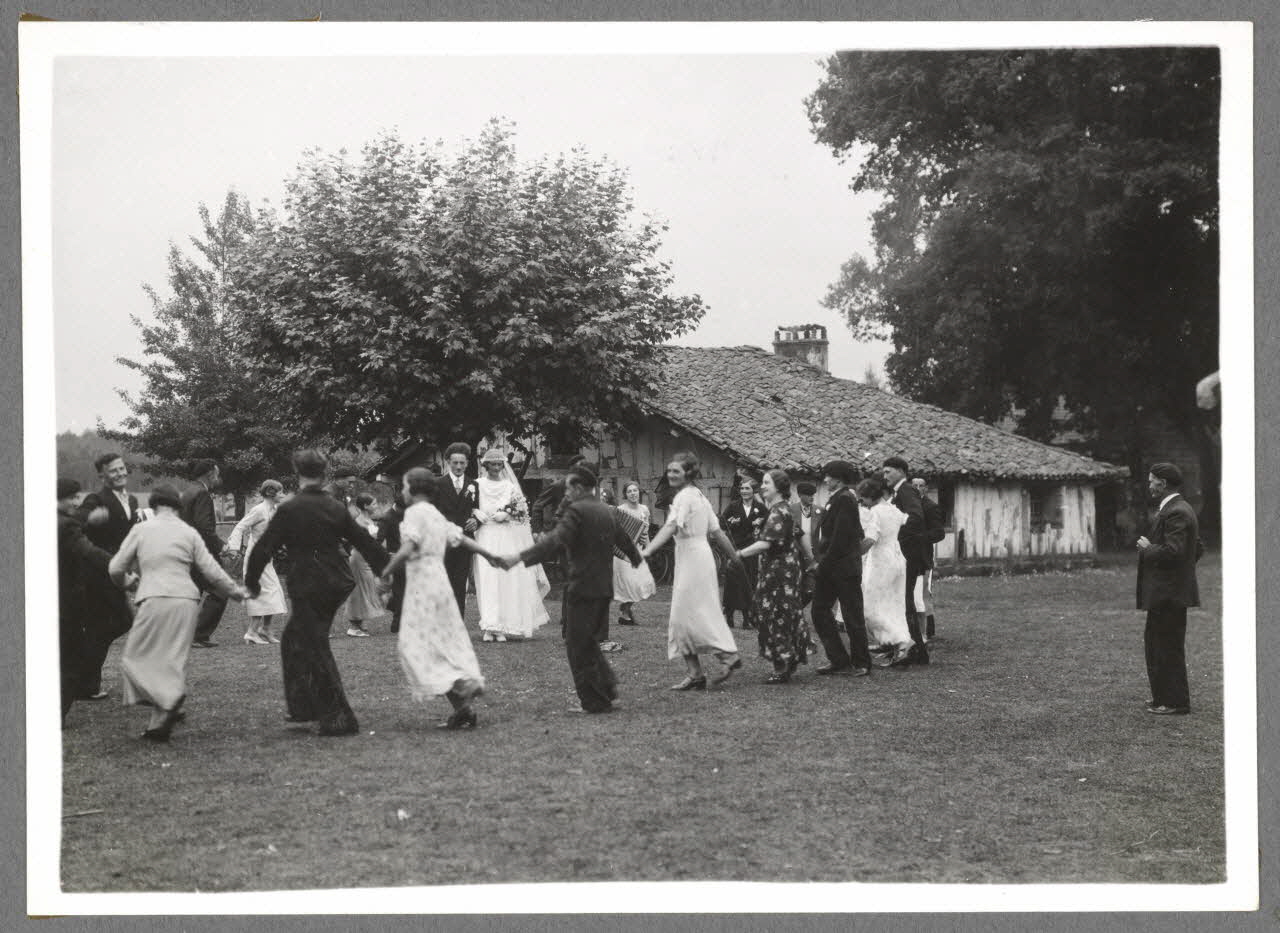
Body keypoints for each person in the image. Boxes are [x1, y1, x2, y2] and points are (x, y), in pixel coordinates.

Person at [244, 449, 390, 737]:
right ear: (324, 475)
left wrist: (251, 582)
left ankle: (338, 717)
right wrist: (388, 570)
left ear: (298, 474)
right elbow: (366, 543)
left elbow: (264, 547)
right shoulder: (334, 507)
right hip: (334, 582)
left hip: (308, 585)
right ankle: (303, 707)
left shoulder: (290, 508)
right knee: (293, 639)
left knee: (313, 645)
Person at [108, 483, 248, 741]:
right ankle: (158, 724)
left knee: (135, 658)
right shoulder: (189, 532)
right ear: (178, 506)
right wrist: (235, 591)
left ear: (153, 504)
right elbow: (212, 571)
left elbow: (116, 568)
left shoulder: (141, 529)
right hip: (186, 599)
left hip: (154, 598)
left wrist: (127, 583)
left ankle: (168, 699)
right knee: (172, 658)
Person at [502, 466, 642, 714]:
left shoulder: (577, 511)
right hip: (603, 587)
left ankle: (593, 701)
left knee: (577, 646)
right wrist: (636, 559)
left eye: (568, 488)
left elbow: (555, 542)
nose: (565, 493)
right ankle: (606, 687)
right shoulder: (606, 510)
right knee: (588, 641)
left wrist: (518, 558)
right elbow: (625, 540)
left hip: (583, 587)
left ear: (578, 488)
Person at [381, 467, 500, 730]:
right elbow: (462, 539)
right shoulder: (435, 514)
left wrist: (386, 572)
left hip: (422, 583)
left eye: (403, 486)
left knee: (416, 644)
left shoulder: (413, 513)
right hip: (440, 582)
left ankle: (461, 684)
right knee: (442, 639)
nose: (402, 492)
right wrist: (490, 554)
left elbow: (409, 546)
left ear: (412, 489)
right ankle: (462, 705)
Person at [640, 453, 745, 691]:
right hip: (697, 557)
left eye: (676, 471)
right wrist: (734, 556)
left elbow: (672, 526)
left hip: (693, 559)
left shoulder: (685, 497)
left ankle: (726, 656)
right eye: (669, 470)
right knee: (689, 614)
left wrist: (648, 550)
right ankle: (697, 673)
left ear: (688, 473)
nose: (670, 474)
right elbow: (718, 533)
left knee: (685, 615)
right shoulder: (700, 496)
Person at [734, 469, 815, 684]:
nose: (762, 486)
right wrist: (810, 559)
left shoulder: (778, 512)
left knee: (776, 615)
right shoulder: (784, 508)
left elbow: (766, 543)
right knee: (787, 613)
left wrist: (739, 553)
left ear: (778, 487)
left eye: (767, 483)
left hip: (779, 573)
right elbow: (801, 535)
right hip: (787, 569)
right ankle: (789, 659)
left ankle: (782, 665)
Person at [1136, 462, 1204, 715]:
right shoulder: (1177, 509)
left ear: (1163, 484)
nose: (1149, 484)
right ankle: (1162, 698)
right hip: (1168, 593)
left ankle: (1175, 702)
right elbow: (1196, 548)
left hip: (1169, 595)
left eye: (1152, 480)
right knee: (1157, 644)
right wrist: (1182, 572)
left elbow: (1175, 552)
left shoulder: (1176, 511)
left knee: (1166, 646)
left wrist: (1148, 549)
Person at [74, 452, 141, 699]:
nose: (120, 473)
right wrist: (90, 518)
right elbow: (75, 521)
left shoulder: (132, 501)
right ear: (102, 475)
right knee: (115, 623)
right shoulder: (96, 499)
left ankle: (84, 682)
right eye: (113, 470)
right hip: (96, 574)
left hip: (116, 571)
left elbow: (129, 536)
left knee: (106, 626)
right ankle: (85, 684)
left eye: (122, 468)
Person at [471, 447, 550, 642]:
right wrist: (475, 511)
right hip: (485, 535)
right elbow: (467, 505)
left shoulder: (510, 487)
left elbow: (522, 513)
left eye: (499, 464)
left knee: (506, 577)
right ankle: (490, 626)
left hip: (506, 535)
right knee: (488, 577)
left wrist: (507, 513)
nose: (496, 468)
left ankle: (506, 624)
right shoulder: (477, 484)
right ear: (486, 465)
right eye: (492, 464)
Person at [58, 478, 113, 722]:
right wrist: (119, 568)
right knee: (72, 659)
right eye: (72, 497)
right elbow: (88, 552)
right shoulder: (67, 526)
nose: (76, 501)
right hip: (66, 602)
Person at [810, 460, 873, 676]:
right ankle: (838, 658)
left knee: (852, 616)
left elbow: (841, 538)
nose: (825, 479)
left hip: (843, 569)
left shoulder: (845, 499)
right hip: (832, 567)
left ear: (839, 478)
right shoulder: (837, 498)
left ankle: (862, 662)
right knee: (819, 611)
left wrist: (822, 563)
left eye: (828, 475)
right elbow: (855, 532)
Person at [854, 477, 914, 667]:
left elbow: (870, 539)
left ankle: (901, 641)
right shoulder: (894, 509)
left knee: (869, 606)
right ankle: (897, 645)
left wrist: (855, 552)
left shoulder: (875, 513)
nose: (862, 503)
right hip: (897, 556)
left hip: (881, 560)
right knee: (893, 604)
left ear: (870, 497)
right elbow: (904, 523)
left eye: (862, 499)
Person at [225, 479, 288, 645]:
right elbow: (240, 527)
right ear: (270, 493)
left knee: (274, 591)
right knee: (260, 592)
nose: (283, 495)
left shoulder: (274, 510)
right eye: (280, 492)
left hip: (267, 558)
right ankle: (252, 632)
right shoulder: (259, 510)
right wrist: (233, 548)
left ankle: (265, 629)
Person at [882, 456, 929, 665]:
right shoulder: (897, 492)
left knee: (906, 602)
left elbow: (916, 516)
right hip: (901, 555)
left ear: (901, 471)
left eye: (888, 471)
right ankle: (912, 649)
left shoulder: (906, 491)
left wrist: (897, 535)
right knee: (902, 602)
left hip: (907, 555)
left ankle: (916, 650)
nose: (885, 476)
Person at [182, 459, 232, 648]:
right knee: (221, 590)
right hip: (202, 552)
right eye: (217, 474)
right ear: (210, 473)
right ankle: (198, 635)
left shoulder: (188, 491)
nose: (218, 478)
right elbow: (204, 527)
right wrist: (221, 546)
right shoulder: (202, 493)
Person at [434, 443, 480, 615]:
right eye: (455, 463)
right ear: (448, 463)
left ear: (467, 463)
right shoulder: (438, 484)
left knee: (460, 582)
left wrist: (476, 521)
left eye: (462, 462)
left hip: (464, 540)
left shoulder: (473, 485)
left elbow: (478, 510)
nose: (459, 466)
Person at [720, 474, 769, 629]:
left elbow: (769, 526)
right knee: (732, 584)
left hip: (751, 551)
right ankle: (729, 617)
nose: (744, 491)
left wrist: (759, 523)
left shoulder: (760, 508)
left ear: (753, 491)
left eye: (747, 488)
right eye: (742, 488)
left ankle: (748, 618)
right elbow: (721, 522)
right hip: (735, 549)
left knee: (749, 582)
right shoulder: (734, 506)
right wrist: (731, 522)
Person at [342, 493, 388, 637]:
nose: (376, 506)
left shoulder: (369, 520)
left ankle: (358, 624)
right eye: (373, 504)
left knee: (366, 588)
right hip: (359, 557)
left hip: (367, 557)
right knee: (359, 590)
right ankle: (353, 626)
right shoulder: (359, 521)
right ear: (366, 506)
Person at [613, 480, 656, 626]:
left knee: (644, 583)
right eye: (629, 491)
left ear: (639, 492)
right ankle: (625, 615)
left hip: (638, 550)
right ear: (625, 494)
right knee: (630, 584)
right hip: (623, 553)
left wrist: (648, 549)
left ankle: (625, 608)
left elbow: (645, 533)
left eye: (635, 490)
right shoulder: (620, 510)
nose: (633, 493)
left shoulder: (645, 509)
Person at [911, 477, 946, 642]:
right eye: (915, 485)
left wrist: (920, 537)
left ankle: (929, 630)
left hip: (924, 556)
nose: (918, 488)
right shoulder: (908, 505)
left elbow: (939, 532)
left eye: (921, 486)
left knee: (924, 593)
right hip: (908, 556)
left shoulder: (931, 507)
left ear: (926, 489)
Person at [376, 489, 408, 635]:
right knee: (400, 592)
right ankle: (397, 625)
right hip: (395, 558)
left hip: (409, 558)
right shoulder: (386, 518)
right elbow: (379, 540)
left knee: (405, 593)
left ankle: (401, 619)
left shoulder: (406, 514)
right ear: (397, 505)